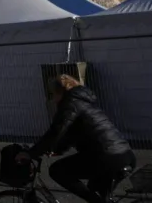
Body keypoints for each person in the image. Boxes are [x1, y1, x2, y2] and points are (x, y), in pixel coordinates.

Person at [19, 74, 136, 203]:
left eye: (53, 94)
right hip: (124, 155)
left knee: (57, 171)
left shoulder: (70, 103)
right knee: (95, 188)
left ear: (60, 92)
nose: (53, 99)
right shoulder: (84, 102)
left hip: (107, 156)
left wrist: (31, 153)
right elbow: (71, 135)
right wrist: (57, 150)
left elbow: (56, 131)